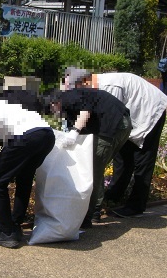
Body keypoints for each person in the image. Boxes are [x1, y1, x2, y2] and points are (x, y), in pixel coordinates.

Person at [64, 69, 167, 218]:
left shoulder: (109, 86)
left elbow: (111, 116)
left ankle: (136, 205)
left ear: (85, 81)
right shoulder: (95, 86)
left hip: (151, 111)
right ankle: (114, 195)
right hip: (129, 116)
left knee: (143, 158)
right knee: (122, 156)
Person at [0, 99, 55, 248]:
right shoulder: (11, 110)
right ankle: (15, 226)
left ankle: (6, 232)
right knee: (24, 179)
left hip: (27, 136)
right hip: (46, 136)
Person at [49, 88, 132, 227]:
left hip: (113, 126)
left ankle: (90, 215)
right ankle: (91, 212)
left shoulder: (69, 98)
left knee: (93, 170)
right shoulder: (71, 99)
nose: (52, 113)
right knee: (94, 167)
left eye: (50, 108)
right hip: (121, 124)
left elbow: (85, 112)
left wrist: (74, 133)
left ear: (54, 102)